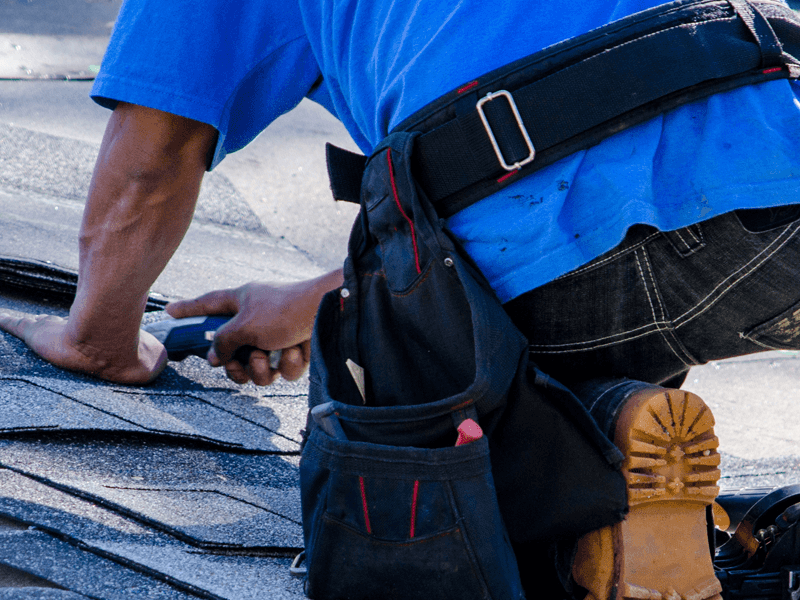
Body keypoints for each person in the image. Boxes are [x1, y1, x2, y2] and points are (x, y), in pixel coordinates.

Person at [2, 0, 800, 598]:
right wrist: (324, 293)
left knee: (410, 398)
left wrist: (100, 338)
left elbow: (154, 158)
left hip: (599, 239)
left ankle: (598, 471)